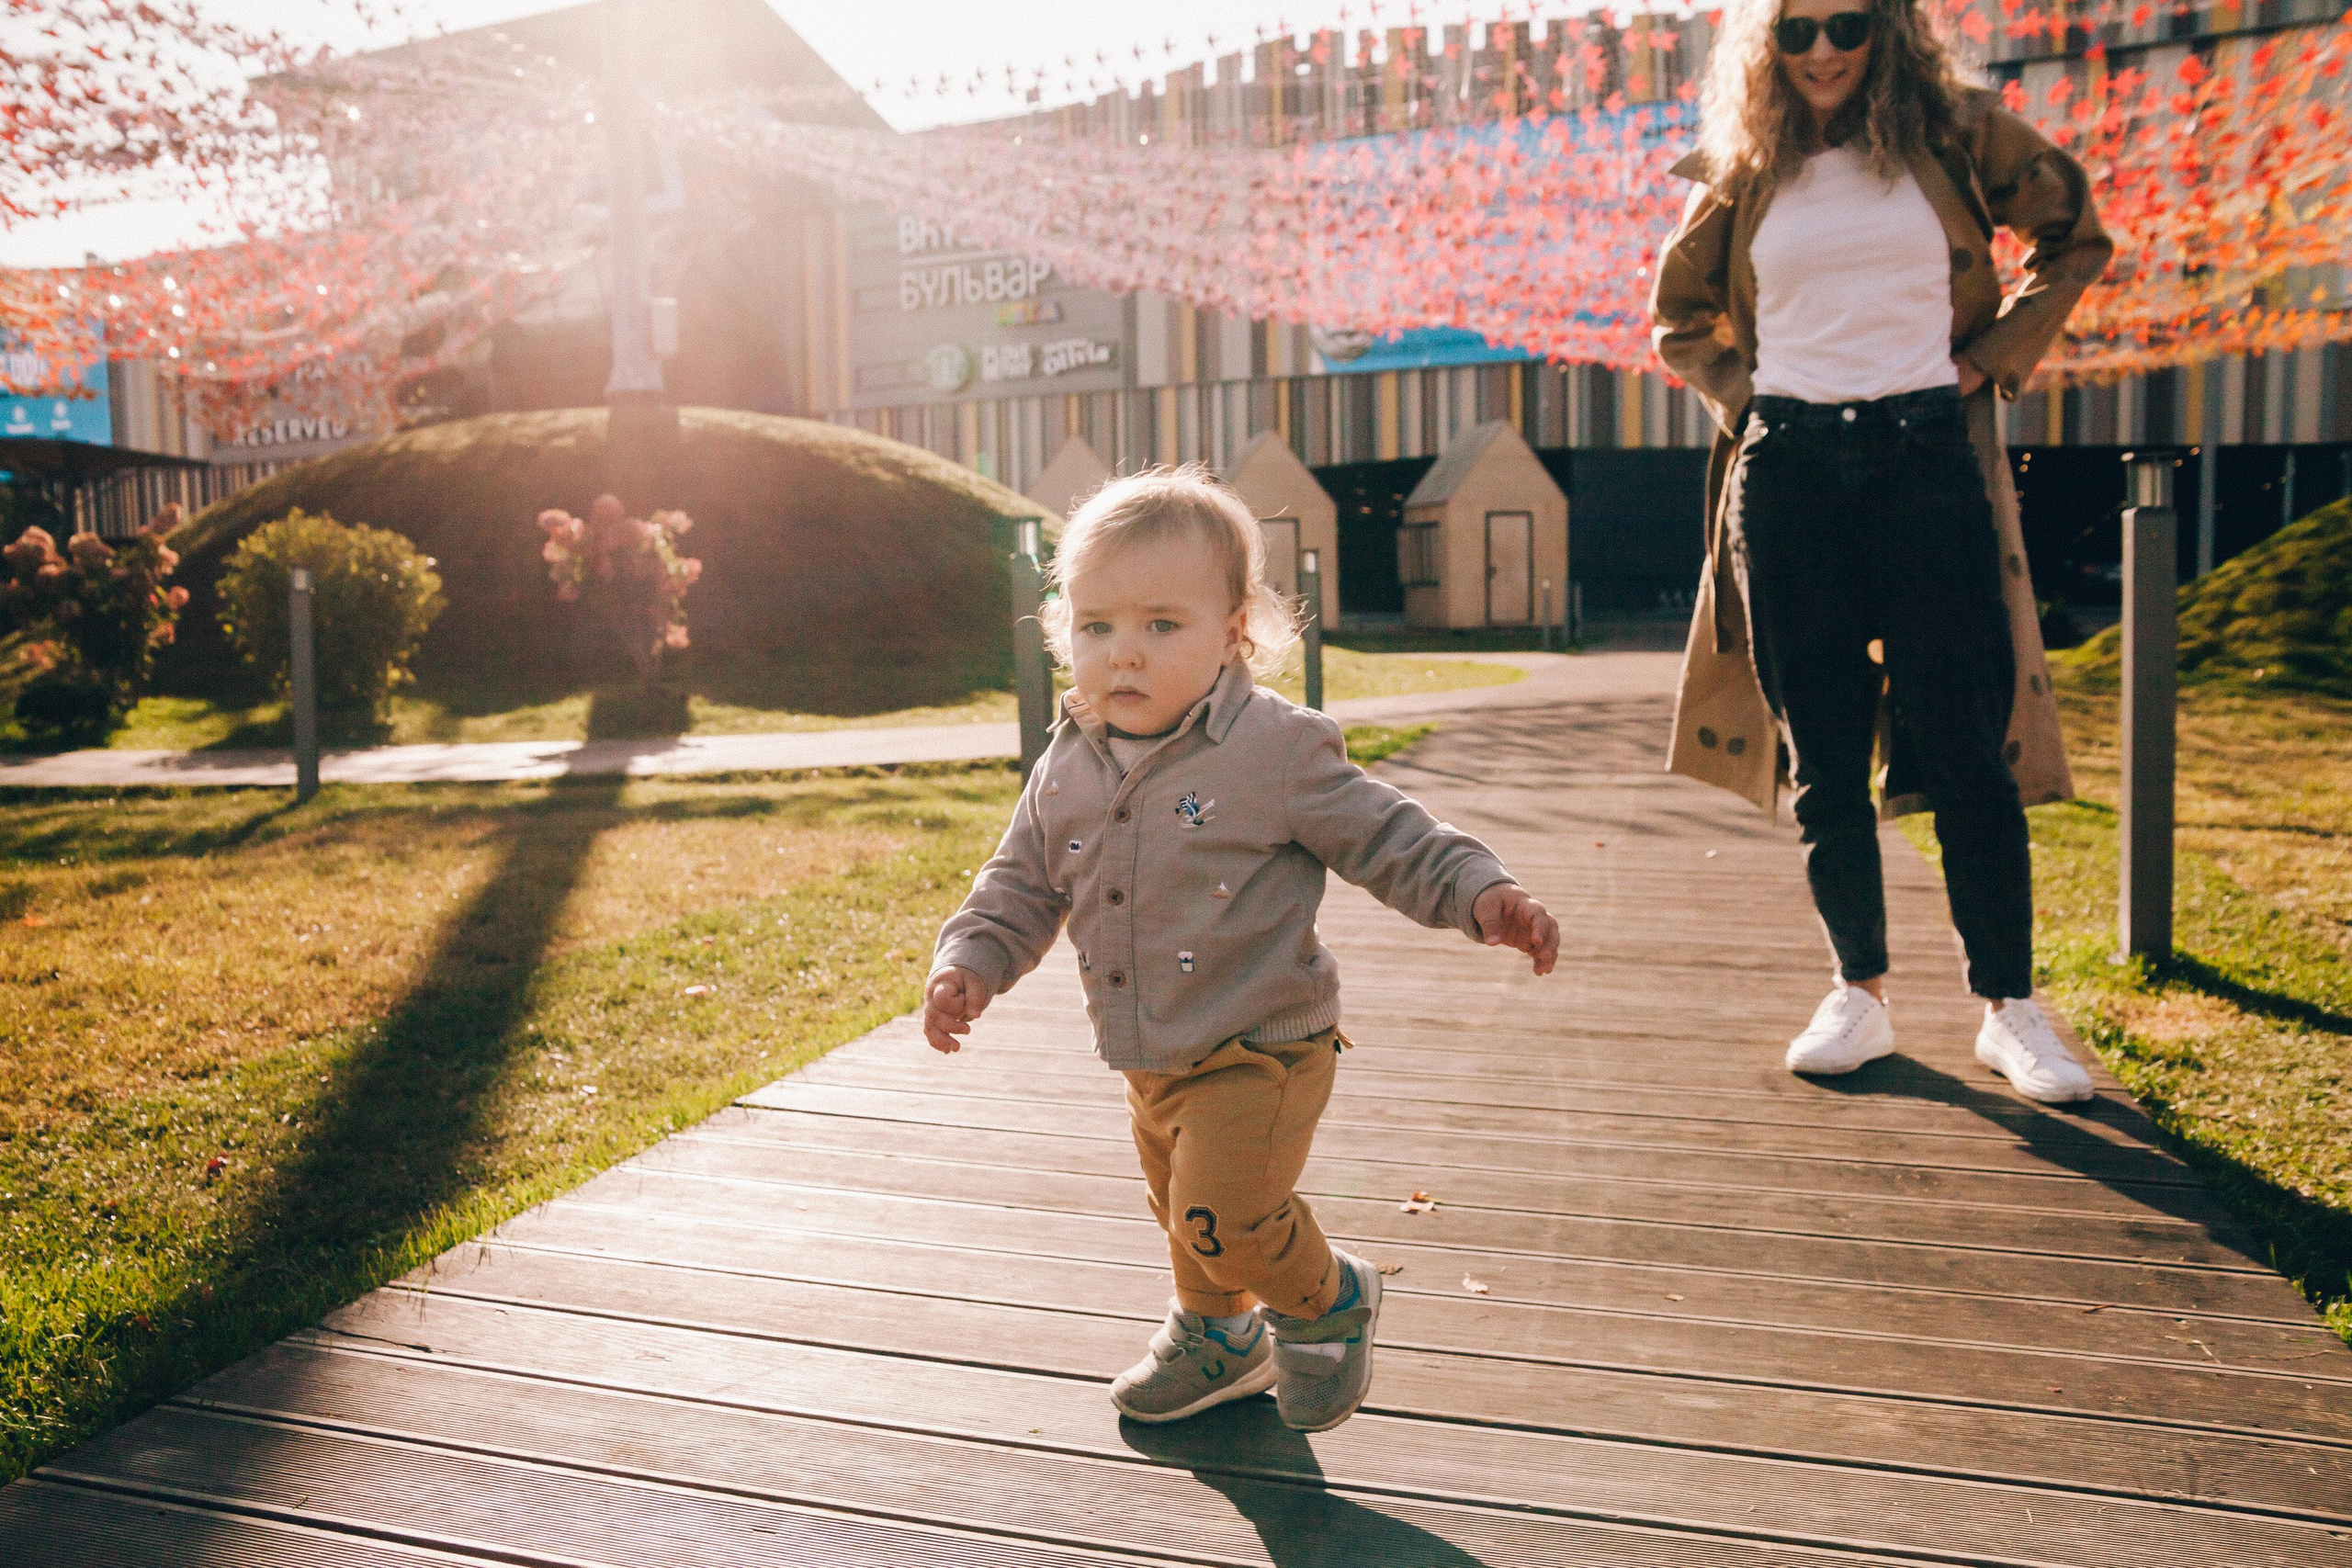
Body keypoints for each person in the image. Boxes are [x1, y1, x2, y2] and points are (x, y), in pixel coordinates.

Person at [923, 468, 1560, 1432]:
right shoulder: (1071, 759)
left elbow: (1390, 837)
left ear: (1233, 632)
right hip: (1148, 1048)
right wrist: (970, 959)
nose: (1123, 654)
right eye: (1096, 627)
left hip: (1261, 1046)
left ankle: (1331, 1300)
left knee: (1224, 1217)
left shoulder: (1275, 749)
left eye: (1160, 625)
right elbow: (1021, 880)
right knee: (1183, 1214)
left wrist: (1480, 892)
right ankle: (1218, 1342)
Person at [1650, 0, 2113, 1100]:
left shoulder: (1956, 134)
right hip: (1791, 471)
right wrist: (1748, 398)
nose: (1821, 51)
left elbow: (2073, 235)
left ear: (1889, 28)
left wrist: (1989, 358)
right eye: (1797, 29)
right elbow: (1677, 318)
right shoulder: (1744, 163)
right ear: (1767, 45)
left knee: (1966, 743)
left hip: (1924, 458)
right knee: (1824, 754)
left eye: (1845, 25)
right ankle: (1857, 992)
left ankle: (2009, 1007)